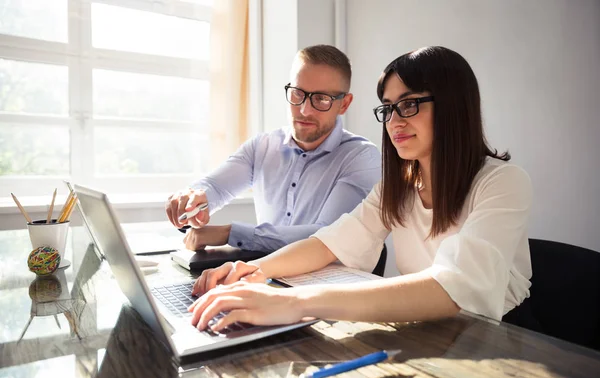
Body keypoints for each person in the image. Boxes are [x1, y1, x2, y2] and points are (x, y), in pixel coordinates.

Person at [186, 46, 533, 332]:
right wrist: (255, 270)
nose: (394, 121)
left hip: (496, 336)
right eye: (388, 108)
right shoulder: (399, 186)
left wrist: (294, 303)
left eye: (409, 104)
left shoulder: (503, 182)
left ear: (454, 106)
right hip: (426, 329)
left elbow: (455, 287)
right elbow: (329, 243)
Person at [165, 44, 380, 253]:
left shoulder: (362, 158)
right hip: (264, 275)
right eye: (297, 93)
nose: (304, 110)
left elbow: (325, 235)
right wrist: (195, 199)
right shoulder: (263, 146)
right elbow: (215, 187)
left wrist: (230, 233)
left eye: (321, 99)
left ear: (344, 104)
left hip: (328, 283)